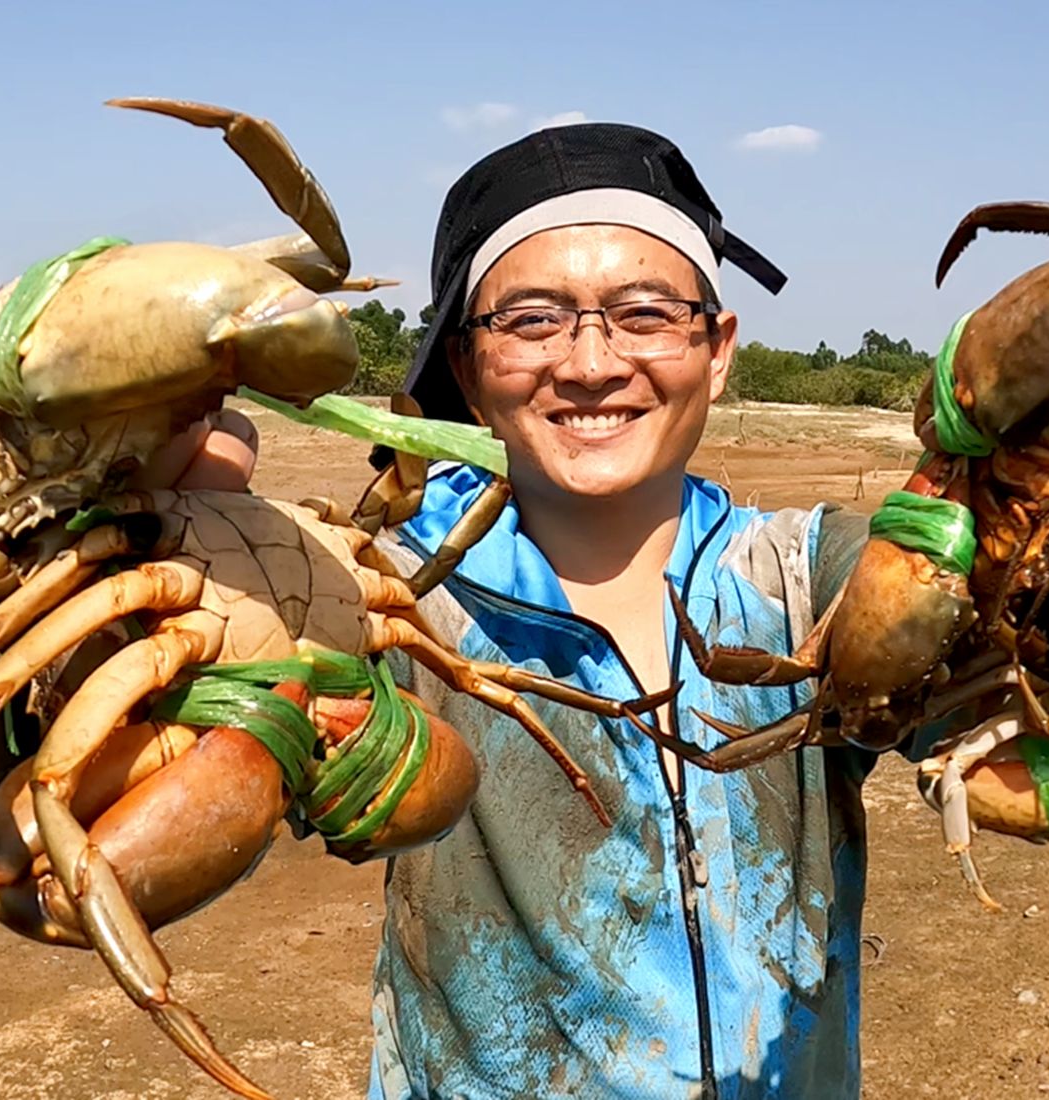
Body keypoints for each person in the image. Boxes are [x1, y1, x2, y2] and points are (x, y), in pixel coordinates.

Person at [336, 123, 882, 1100]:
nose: (590, 363)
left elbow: (991, 625)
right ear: (461, 368)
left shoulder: (803, 575)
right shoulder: (383, 598)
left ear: (714, 349)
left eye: (642, 314)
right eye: (533, 321)